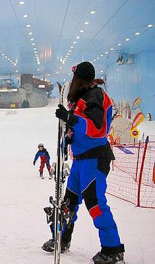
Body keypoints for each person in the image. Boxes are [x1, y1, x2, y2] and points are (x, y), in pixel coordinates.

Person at [41, 62, 124, 264]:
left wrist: (73, 120)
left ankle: (113, 250)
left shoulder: (96, 96)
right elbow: (79, 129)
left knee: (95, 203)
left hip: (94, 159)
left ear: (81, 79)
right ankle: (62, 238)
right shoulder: (81, 98)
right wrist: (69, 134)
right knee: (68, 203)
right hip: (80, 160)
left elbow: (98, 129)